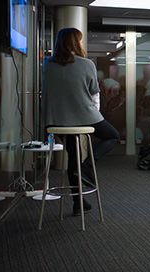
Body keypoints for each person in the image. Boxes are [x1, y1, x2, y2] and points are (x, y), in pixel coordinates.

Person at [42, 27, 120, 216]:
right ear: (76, 42)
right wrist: (95, 114)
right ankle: (85, 166)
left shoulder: (47, 64)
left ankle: (78, 202)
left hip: (57, 122)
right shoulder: (87, 64)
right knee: (112, 136)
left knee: (72, 156)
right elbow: (95, 94)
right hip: (84, 116)